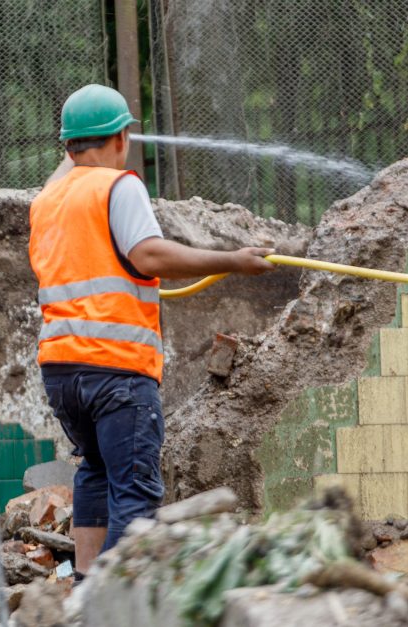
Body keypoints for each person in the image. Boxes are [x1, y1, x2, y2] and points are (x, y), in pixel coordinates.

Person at [28, 84, 275, 576]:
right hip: (116, 371)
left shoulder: (48, 201)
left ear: (68, 145)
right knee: (134, 490)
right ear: (120, 137)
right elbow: (148, 254)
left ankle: (84, 591)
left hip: (61, 373)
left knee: (95, 473)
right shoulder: (119, 186)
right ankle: (115, 602)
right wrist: (233, 261)